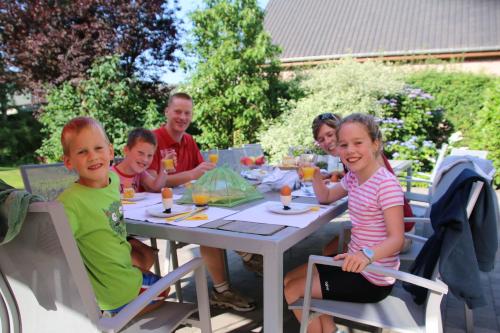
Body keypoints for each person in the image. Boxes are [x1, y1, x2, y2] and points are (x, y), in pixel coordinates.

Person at [284, 113, 405, 333]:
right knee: (288, 279)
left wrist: (366, 255)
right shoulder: (353, 177)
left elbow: (397, 239)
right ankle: (330, 330)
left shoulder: (385, 184)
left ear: (375, 143)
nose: (350, 150)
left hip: (372, 276)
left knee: (294, 290)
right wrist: (316, 176)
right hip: (351, 262)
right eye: (344, 145)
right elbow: (326, 197)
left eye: (358, 143)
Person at [148, 92, 259, 311]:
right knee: (208, 224)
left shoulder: (189, 140)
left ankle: (233, 275)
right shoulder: (153, 139)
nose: (182, 117)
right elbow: (153, 182)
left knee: (226, 205)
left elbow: (200, 174)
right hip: (159, 207)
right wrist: (193, 174)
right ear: (167, 112)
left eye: (187, 113)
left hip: (188, 202)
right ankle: (244, 260)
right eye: (178, 111)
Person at [57, 117, 168, 316]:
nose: (92, 157)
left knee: (147, 254)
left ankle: (121, 302)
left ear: (110, 151)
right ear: (68, 161)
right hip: (113, 290)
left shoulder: (113, 179)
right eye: (82, 152)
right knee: (165, 287)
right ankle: (117, 317)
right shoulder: (69, 203)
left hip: (117, 269)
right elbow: (56, 249)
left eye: (98, 148)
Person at [311, 112, 414, 256]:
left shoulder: (377, 173)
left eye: (330, 134)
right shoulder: (354, 170)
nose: (327, 141)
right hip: (376, 232)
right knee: (330, 250)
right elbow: (332, 194)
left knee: (329, 251)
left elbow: (379, 187)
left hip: (401, 232)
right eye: (321, 139)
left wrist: (363, 257)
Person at [111, 128, 175, 272]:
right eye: (140, 153)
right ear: (126, 150)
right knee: (143, 255)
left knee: (149, 253)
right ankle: (141, 284)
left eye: (150, 156)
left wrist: (164, 168)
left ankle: (141, 284)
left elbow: (156, 186)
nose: (145, 159)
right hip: (116, 231)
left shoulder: (140, 174)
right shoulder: (111, 175)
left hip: (132, 227)